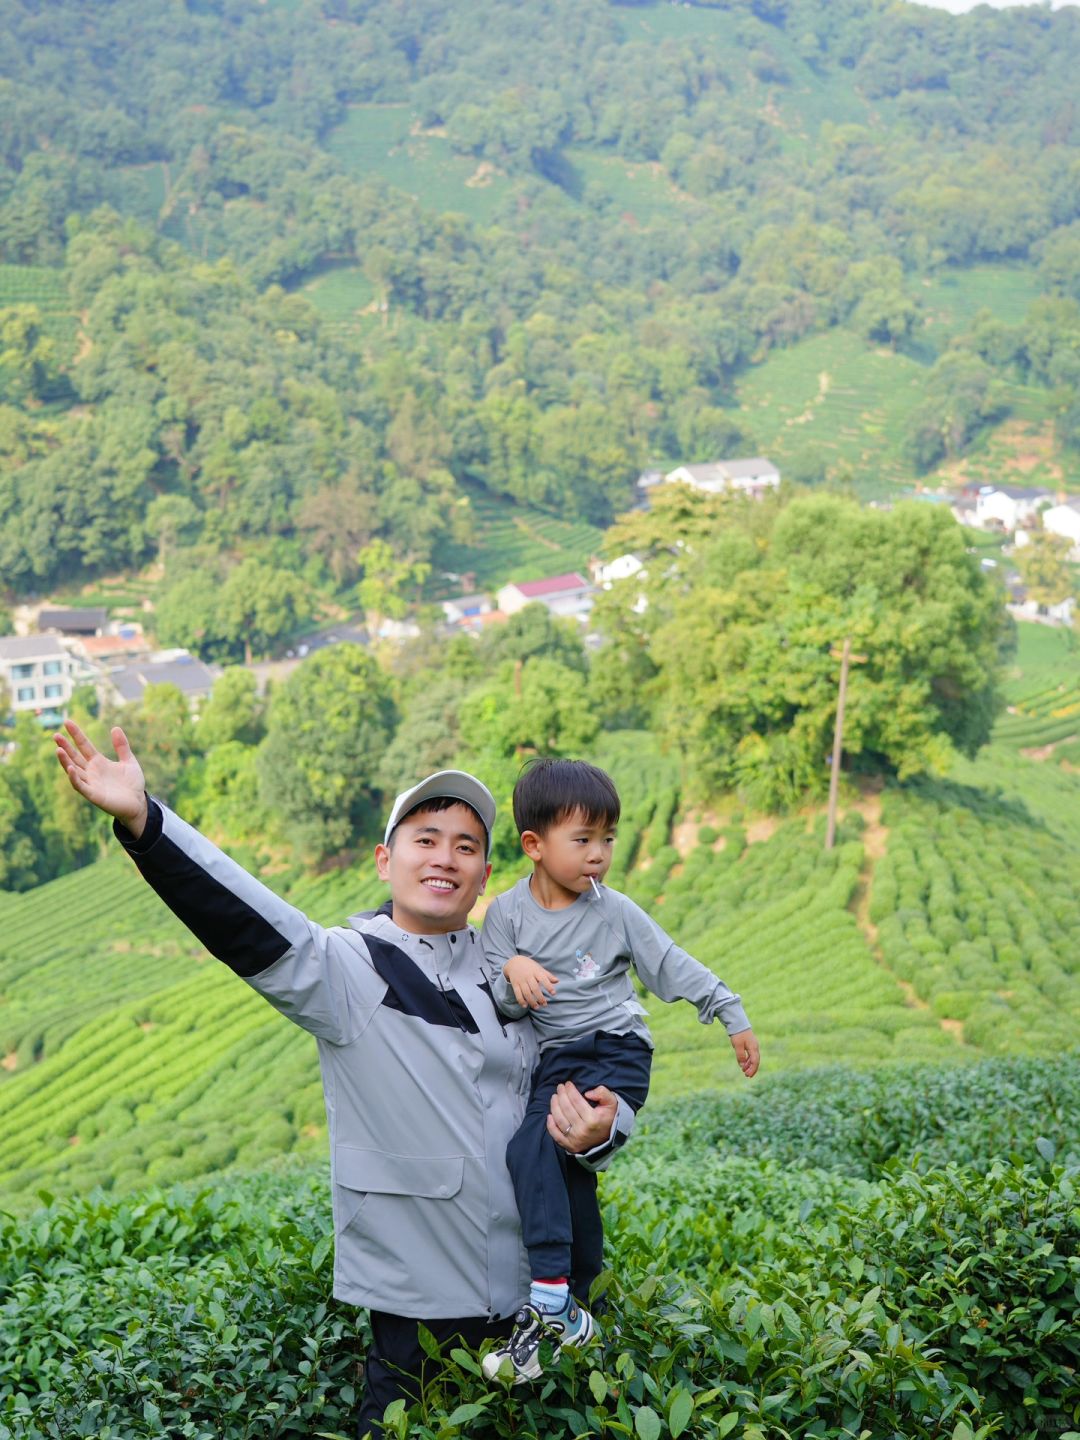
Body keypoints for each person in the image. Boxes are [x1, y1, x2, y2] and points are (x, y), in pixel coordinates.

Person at [53, 721, 635, 1438]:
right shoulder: (350, 970)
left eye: (466, 846)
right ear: (386, 859)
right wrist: (147, 823)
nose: (445, 859)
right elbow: (246, 917)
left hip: (547, 1304)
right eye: (425, 840)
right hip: (423, 1318)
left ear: (487, 873)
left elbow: (601, 1063)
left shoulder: (515, 975)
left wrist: (608, 1129)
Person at [479, 758, 760, 1384]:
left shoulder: (613, 911)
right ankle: (584, 1308)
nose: (599, 855)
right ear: (534, 845)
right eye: (583, 840)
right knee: (550, 1160)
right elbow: (497, 997)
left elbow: (668, 962)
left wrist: (730, 1012)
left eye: (607, 839)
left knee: (536, 1146)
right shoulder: (505, 919)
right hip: (560, 1058)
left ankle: (549, 1296)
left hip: (617, 1048)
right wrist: (512, 973)